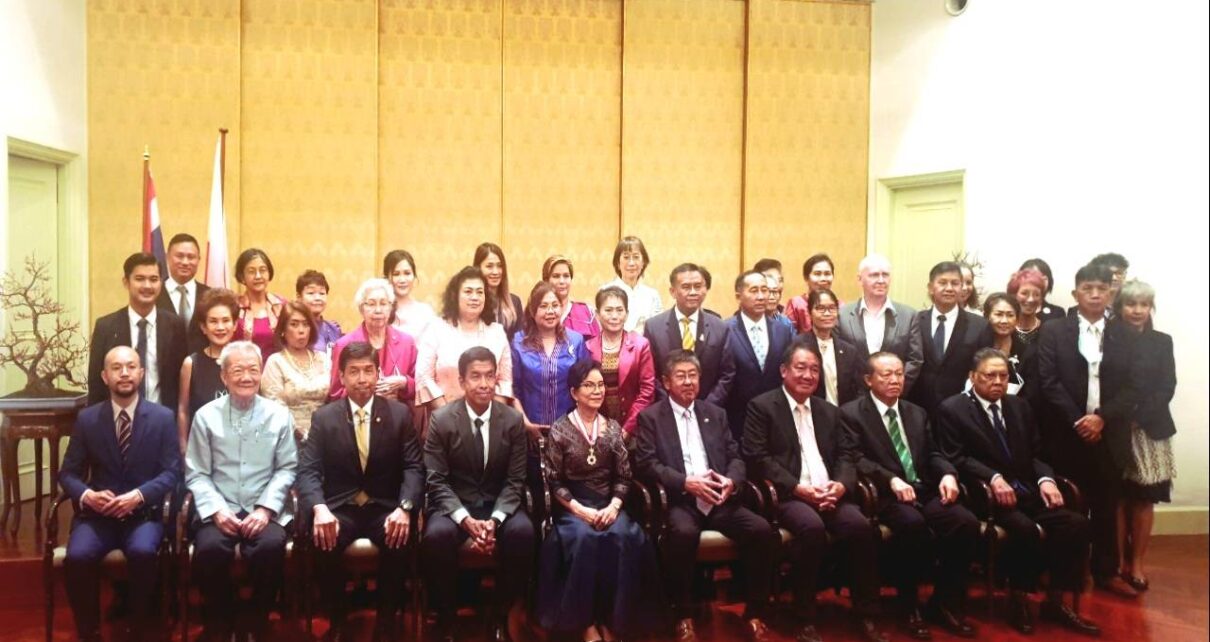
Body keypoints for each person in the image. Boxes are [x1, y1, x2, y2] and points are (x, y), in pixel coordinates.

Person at [934, 349, 1100, 636]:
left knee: (1075, 524)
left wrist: (1046, 480)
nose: (998, 381)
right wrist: (993, 477)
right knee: (1024, 530)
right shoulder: (953, 409)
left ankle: (1055, 600)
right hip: (986, 496)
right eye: (990, 375)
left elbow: (1037, 453)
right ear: (973, 377)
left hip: (1026, 490)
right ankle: (1018, 598)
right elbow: (956, 457)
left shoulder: (1019, 407)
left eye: (1003, 375)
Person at [742, 343, 887, 642]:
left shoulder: (828, 411)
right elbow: (758, 458)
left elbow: (847, 454)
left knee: (861, 527)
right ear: (784, 371)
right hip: (789, 494)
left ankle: (866, 613)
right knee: (811, 528)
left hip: (829, 492)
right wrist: (798, 488)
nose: (808, 375)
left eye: (814, 370)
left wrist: (841, 485)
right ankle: (803, 616)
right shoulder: (762, 406)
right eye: (801, 368)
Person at [634, 353, 777, 642]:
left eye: (693, 375)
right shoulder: (651, 417)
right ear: (666, 382)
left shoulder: (715, 413)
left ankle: (754, 612)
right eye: (681, 376)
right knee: (682, 534)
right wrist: (686, 483)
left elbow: (736, 456)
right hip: (682, 501)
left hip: (719, 499)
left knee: (762, 530)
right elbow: (647, 464)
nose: (688, 382)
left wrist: (731, 481)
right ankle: (683, 616)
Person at [841, 352, 979, 639]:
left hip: (923, 488)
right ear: (868, 380)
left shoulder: (916, 412)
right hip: (884, 494)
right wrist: (890, 480)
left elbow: (933, 453)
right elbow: (855, 459)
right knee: (912, 524)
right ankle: (909, 605)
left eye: (899, 374)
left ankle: (944, 603)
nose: (895, 380)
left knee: (965, 522)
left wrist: (948, 474)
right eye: (886, 374)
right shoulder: (851, 414)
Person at [298, 341, 424, 642]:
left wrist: (405, 508)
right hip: (340, 508)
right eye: (354, 372)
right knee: (322, 538)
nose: (362, 379)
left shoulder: (399, 414)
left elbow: (414, 467)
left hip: (385, 507)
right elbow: (308, 471)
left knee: (399, 537)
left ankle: (386, 621)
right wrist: (320, 509)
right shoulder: (324, 417)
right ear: (341, 376)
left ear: (378, 373)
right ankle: (338, 621)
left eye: (369, 370)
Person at [60, 346, 181, 642]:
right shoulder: (87, 419)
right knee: (77, 556)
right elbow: (68, 473)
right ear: (105, 376)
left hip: (143, 514)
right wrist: (87, 496)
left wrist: (139, 495)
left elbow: (172, 472)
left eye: (131, 367)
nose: (124, 373)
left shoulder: (163, 418)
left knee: (143, 552)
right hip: (98, 516)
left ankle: (138, 629)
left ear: (141, 373)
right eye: (116, 368)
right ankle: (90, 633)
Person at [537, 359, 661, 641]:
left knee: (624, 537)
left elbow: (624, 476)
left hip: (608, 504)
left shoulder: (613, 429)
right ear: (574, 392)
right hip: (573, 506)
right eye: (589, 385)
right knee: (583, 539)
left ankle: (614, 622)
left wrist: (614, 507)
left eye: (601, 385)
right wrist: (579, 510)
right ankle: (585, 624)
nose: (597, 391)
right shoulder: (560, 430)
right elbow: (554, 481)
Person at [1037, 263, 1140, 598]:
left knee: (1107, 503)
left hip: (1109, 433)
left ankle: (1106, 571)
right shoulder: (1054, 331)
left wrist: (1101, 418)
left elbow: (1133, 385)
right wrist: (1079, 421)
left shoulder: (1125, 334)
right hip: (1066, 433)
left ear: (1110, 294)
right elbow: (1049, 381)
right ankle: (1068, 571)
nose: (1095, 295)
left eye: (1101, 289)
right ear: (1075, 293)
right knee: (1068, 504)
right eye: (1087, 289)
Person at [185, 341, 298, 640]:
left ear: (261, 374)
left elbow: (287, 468)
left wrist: (265, 509)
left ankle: (257, 619)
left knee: (270, 547)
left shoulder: (279, 415)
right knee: (209, 549)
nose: (246, 377)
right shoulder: (205, 416)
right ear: (224, 376)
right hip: (220, 508)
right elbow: (196, 472)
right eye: (237, 371)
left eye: (253, 370)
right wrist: (217, 510)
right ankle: (221, 621)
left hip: (264, 509)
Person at [421, 347, 534, 642]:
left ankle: (501, 614)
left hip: (498, 504)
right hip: (454, 505)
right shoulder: (442, 420)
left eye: (489, 376)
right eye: (475, 377)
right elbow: (436, 480)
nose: (484, 384)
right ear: (462, 381)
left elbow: (515, 480)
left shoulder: (511, 420)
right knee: (436, 535)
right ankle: (447, 617)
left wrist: (495, 521)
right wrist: (465, 519)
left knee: (523, 532)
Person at [1113, 280, 1176, 593]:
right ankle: (1115, 563)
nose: (1137, 310)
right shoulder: (1108, 338)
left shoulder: (1162, 341)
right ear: (1120, 307)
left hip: (1150, 429)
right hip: (1115, 429)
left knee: (1144, 498)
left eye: (1144, 304)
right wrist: (1121, 417)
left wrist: (1139, 417)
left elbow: (1167, 386)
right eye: (1131, 304)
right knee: (1118, 497)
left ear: (1151, 307)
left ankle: (1136, 564)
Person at [88, 252, 188, 411]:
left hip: (163, 418)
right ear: (126, 282)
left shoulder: (175, 325)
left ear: (161, 283)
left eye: (153, 279)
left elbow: (181, 382)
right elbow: (96, 383)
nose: (147, 286)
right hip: (118, 418)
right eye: (140, 279)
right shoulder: (106, 327)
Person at [416, 267, 514, 412]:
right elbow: (424, 377)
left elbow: (504, 381)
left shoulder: (497, 333)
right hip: (444, 416)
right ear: (455, 295)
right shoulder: (436, 329)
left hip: (489, 419)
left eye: (479, 292)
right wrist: (448, 416)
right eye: (468, 291)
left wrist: (492, 417)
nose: (474, 297)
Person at [644, 263, 735, 406]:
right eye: (686, 287)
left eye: (698, 286)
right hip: (667, 409)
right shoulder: (654, 327)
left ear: (705, 289)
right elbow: (651, 374)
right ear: (673, 291)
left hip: (708, 409)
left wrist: (707, 406)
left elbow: (727, 374)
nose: (693, 292)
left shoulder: (720, 327)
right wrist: (669, 405)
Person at [909, 261, 991, 414]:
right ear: (931, 288)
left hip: (961, 409)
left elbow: (982, 368)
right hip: (918, 408)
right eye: (942, 283)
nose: (949, 288)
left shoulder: (980, 326)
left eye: (955, 283)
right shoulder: (915, 321)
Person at [511, 282, 591, 438]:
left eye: (555, 305)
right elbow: (512, 388)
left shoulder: (575, 341)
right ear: (532, 311)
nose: (550, 311)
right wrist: (526, 423)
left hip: (570, 431)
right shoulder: (518, 342)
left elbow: (585, 385)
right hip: (528, 429)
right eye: (543, 306)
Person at [835, 254, 924, 393]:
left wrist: (894, 387)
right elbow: (837, 359)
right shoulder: (842, 315)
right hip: (853, 396)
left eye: (885, 275)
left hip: (893, 397)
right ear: (860, 279)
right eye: (874, 275)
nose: (881, 280)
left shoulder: (909, 316)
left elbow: (915, 360)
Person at [724, 270, 794, 441]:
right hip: (737, 418)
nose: (762, 296)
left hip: (775, 417)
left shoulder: (783, 330)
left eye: (765, 290)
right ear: (738, 296)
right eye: (754, 291)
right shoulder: (724, 330)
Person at [329, 278, 417, 404]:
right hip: (358, 414)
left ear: (391, 307)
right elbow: (335, 394)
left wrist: (404, 383)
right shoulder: (344, 344)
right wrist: (369, 392)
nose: (378, 310)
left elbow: (419, 386)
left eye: (383, 303)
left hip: (398, 413)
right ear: (361, 309)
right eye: (371, 304)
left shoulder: (407, 343)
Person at [586, 286, 656, 441]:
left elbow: (647, 391)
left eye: (619, 310)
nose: (614, 316)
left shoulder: (640, 345)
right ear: (597, 314)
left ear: (627, 314)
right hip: (597, 427)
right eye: (608, 310)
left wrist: (627, 429)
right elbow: (584, 390)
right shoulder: (588, 347)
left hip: (634, 427)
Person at [261, 300, 332, 440]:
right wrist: (299, 433)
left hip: (325, 434)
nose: (301, 330)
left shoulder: (323, 359)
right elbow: (274, 407)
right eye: (294, 324)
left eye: (306, 324)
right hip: (288, 437)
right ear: (283, 330)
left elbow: (333, 400)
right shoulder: (275, 362)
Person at [177, 288, 237, 451]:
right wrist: (183, 447)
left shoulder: (244, 361)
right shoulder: (191, 364)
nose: (220, 327)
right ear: (203, 327)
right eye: (213, 321)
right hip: (201, 448)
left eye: (226, 320)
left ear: (235, 325)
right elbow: (183, 410)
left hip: (239, 448)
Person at [799, 288, 863, 407]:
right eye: (820, 308)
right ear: (809, 312)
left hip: (843, 413)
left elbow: (858, 389)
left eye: (832, 308)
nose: (827, 313)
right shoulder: (798, 346)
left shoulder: (849, 351)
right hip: (810, 412)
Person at [157, 233, 211, 352]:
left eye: (191, 257)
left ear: (198, 260)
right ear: (167, 257)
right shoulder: (154, 294)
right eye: (179, 256)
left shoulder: (210, 296)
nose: (185, 262)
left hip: (200, 362)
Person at [599, 235, 664, 332]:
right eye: (626, 257)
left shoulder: (653, 295)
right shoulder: (605, 292)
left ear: (643, 263)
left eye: (636, 257)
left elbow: (658, 330)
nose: (631, 263)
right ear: (618, 263)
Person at [233, 248, 286, 359]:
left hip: (278, 368)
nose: (258, 276)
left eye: (262, 270)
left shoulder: (281, 305)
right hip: (244, 367)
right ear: (242, 276)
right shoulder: (234, 307)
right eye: (251, 271)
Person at [982, 292, 1037, 399]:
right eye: (998, 314)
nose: (1004, 321)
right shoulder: (975, 346)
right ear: (986, 316)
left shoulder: (1027, 352)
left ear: (1017, 319)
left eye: (1010, 315)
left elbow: (1031, 393)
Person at [542, 254, 601, 341]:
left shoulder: (586, 312)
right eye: (556, 276)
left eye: (566, 276)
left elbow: (597, 345)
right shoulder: (538, 313)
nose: (562, 281)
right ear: (546, 280)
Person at [384, 249, 437, 342]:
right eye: (396, 274)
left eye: (407, 273)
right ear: (387, 278)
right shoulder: (381, 310)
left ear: (414, 276)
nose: (402, 280)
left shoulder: (425, 312)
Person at [475, 242, 524, 339]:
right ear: (478, 268)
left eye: (499, 266)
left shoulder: (515, 302)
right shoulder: (473, 302)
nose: (496, 272)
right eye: (489, 266)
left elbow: (519, 341)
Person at [1066, 253, 1130, 318]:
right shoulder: (1076, 311)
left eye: (1119, 273)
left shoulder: (1132, 308)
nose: (1114, 278)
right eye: (1109, 273)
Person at [786, 253, 837, 334]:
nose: (823, 279)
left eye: (827, 274)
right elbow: (788, 335)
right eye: (817, 274)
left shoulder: (840, 305)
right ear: (806, 278)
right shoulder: (796, 304)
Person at [296, 269, 343, 353]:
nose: (318, 298)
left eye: (322, 293)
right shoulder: (294, 328)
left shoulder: (333, 328)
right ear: (299, 297)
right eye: (311, 293)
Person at [1006, 267, 1049, 346]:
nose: (1030, 299)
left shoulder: (1047, 331)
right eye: (1024, 293)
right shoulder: (1004, 328)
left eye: (1036, 294)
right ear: (1014, 295)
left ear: (1041, 298)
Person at [1017, 258, 1065, 324]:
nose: (1040, 281)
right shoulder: (1010, 310)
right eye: (1035, 277)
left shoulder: (1057, 312)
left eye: (1044, 278)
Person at [753, 258, 793, 330]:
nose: (776, 284)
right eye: (768, 278)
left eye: (780, 280)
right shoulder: (743, 322)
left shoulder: (785, 323)